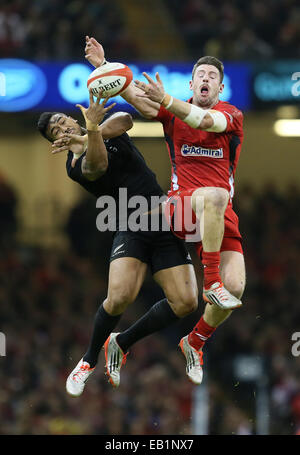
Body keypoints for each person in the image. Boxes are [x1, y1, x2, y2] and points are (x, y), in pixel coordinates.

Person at [84, 37, 246, 385]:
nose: (205, 79)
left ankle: (194, 341)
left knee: (237, 289)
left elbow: (206, 122)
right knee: (214, 197)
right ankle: (211, 280)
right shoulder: (173, 113)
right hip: (181, 208)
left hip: (217, 215)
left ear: (220, 85)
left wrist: (167, 100)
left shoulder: (231, 115)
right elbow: (134, 96)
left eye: (211, 76)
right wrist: (103, 67)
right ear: (191, 83)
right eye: (199, 74)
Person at [37, 92, 198, 395]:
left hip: (163, 218)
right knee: (119, 298)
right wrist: (92, 132)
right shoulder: (75, 166)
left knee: (187, 302)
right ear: (55, 143)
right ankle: (87, 360)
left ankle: (121, 341)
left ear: (73, 118)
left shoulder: (103, 127)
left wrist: (93, 127)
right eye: (55, 132)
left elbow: (125, 120)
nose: (62, 129)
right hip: (130, 225)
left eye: (62, 122)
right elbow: (97, 165)